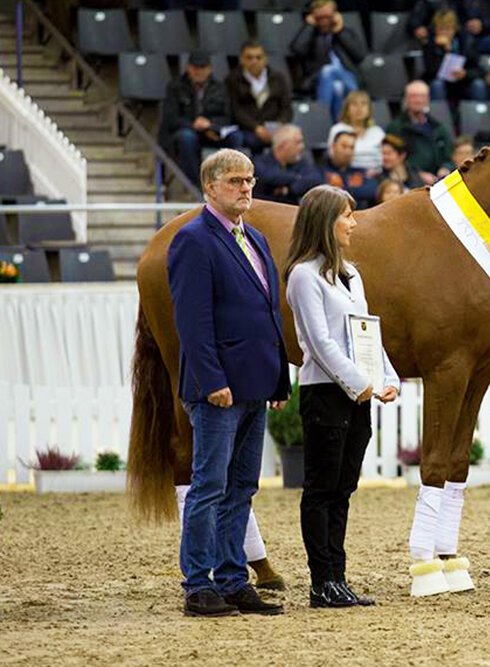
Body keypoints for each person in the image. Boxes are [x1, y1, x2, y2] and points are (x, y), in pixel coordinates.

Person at [167, 148, 290, 617]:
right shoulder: (194, 240)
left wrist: (277, 379)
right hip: (218, 389)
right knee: (209, 486)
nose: (246, 188)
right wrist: (211, 378)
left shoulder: (254, 238)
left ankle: (233, 577)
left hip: (254, 384)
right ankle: (198, 583)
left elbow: (269, 314)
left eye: (250, 181)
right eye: (236, 181)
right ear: (210, 186)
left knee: (242, 487)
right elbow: (193, 321)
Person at [285, 185, 400, 608]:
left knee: (343, 488)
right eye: (346, 215)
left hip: (357, 393)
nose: (353, 223)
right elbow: (319, 343)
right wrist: (360, 383)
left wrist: (387, 377)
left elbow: (366, 332)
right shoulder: (303, 275)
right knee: (322, 488)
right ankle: (322, 581)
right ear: (324, 222)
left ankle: (338, 576)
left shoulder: (351, 274)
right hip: (325, 392)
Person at [158, 51, 239, 189]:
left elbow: (227, 117)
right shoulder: (175, 87)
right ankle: (194, 186)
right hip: (183, 132)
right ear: (188, 68)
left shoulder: (220, 88)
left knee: (236, 137)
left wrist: (211, 126)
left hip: (210, 132)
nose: (199, 71)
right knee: (187, 138)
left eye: (203, 68)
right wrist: (193, 125)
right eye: (195, 67)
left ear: (210, 69)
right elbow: (170, 118)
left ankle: (228, 183)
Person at [290, 0, 367, 121]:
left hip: (347, 76)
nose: (325, 21)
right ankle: (353, 110)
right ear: (312, 17)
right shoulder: (310, 34)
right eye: (320, 17)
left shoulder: (345, 32)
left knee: (334, 78)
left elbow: (359, 56)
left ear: (336, 15)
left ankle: (322, 119)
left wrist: (340, 31)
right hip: (318, 79)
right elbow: (297, 50)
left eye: (328, 17)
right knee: (332, 79)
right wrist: (309, 27)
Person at [226, 41, 293, 155]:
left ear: (265, 59)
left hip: (275, 128)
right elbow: (235, 109)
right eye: (249, 57)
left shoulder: (278, 78)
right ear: (241, 59)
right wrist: (256, 128)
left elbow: (286, 108)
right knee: (249, 140)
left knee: (292, 139)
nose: (254, 61)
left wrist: (278, 126)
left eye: (258, 57)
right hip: (247, 129)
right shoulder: (232, 79)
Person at [385, 80, 454, 186]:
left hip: (436, 181)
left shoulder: (438, 128)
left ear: (428, 99)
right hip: (407, 181)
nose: (418, 100)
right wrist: (418, 174)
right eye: (413, 96)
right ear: (406, 99)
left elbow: (448, 157)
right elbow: (393, 158)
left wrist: (445, 168)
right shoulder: (395, 128)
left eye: (422, 96)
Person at [421, 9, 489, 103]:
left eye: (448, 29)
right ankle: (439, 115)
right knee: (437, 85)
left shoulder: (467, 42)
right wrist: (445, 50)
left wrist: (465, 74)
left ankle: (481, 116)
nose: (444, 33)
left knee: (478, 85)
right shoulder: (429, 44)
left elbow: (479, 70)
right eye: (440, 29)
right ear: (435, 29)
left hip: (463, 83)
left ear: (455, 29)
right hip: (442, 84)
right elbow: (431, 71)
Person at [253, 125, 324, 205]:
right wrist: (297, 177)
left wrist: (289, 189)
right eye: (297, 142)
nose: (302, 147)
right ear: (283, 145)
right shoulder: (261, 162)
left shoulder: (301, 162)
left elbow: (315, 178)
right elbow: (267, 177)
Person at [328, 90, 385, 174]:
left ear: (369, 109)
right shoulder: (338, 129)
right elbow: (333, 156)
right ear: (347, 108)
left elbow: (385, 157)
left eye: (363, 104)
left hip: (377, 176)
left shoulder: (377, 132)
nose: (359, 108)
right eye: (354, 104)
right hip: (347, 175)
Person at [323, 130, 377, 208]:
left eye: (351, 147)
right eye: (344, 146)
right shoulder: (320, 170)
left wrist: (340, 189)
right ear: (332, 147)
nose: (348, 152)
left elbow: (372, 191)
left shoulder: (360, 172)